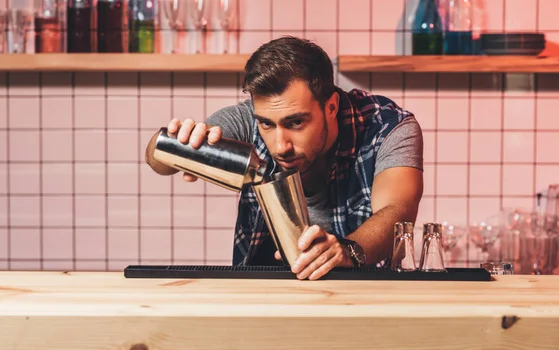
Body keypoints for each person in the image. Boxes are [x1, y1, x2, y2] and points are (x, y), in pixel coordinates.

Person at [145, 36, 424, 280]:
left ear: (331, 106)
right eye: (267, 124)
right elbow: (156, 161)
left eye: (296, 123)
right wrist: (177, 144)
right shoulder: (247, 119)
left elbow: (398, 212)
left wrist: (347, 250)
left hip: (362, 297)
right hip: (267, 296)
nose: (280, 145)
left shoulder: (388, 127)